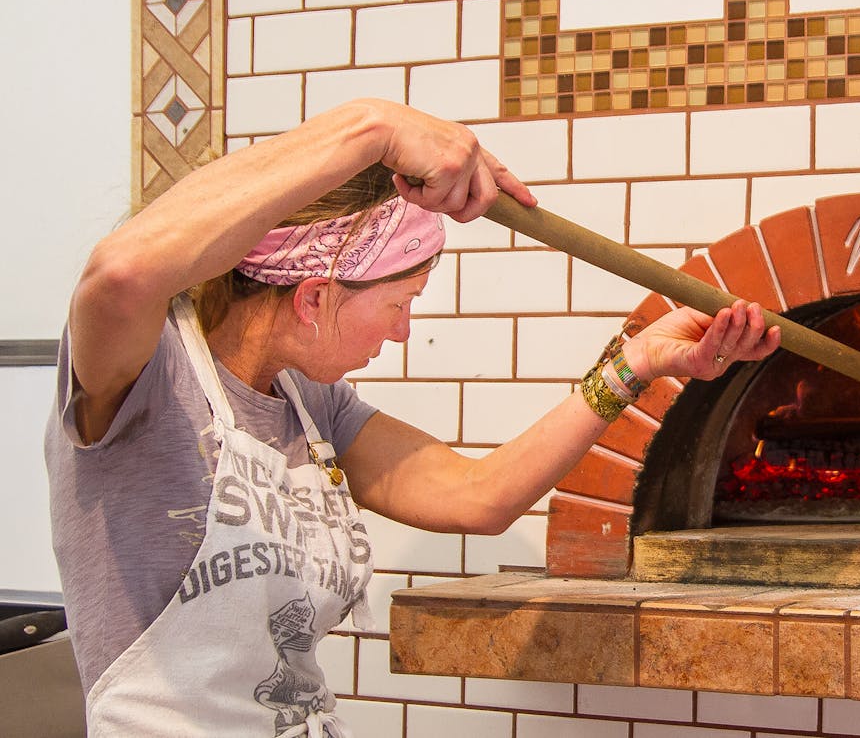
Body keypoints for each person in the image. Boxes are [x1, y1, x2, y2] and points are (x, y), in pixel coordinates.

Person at [44, 98, 781, 736]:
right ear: (312, 296)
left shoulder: (308, 402)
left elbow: (477, 494)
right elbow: (121, 273)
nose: (401, 332)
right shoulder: (147, 376)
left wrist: (633, 365)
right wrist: (376, 126)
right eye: (400, 305)